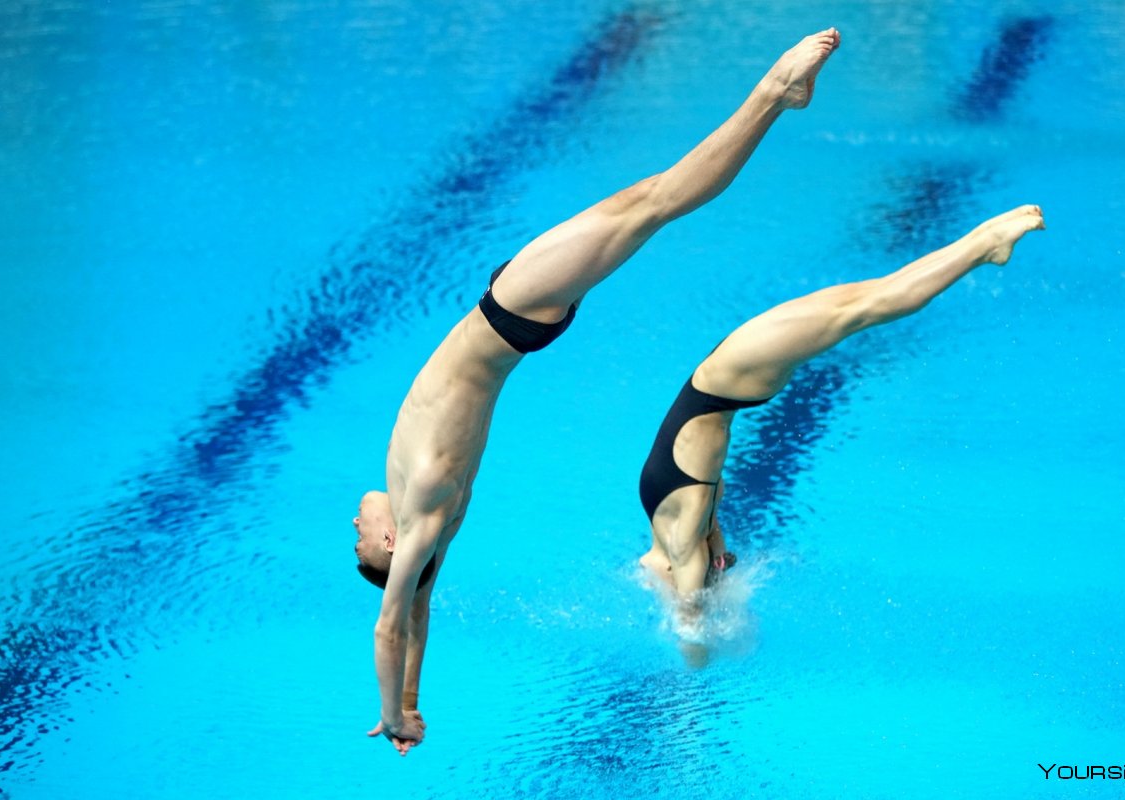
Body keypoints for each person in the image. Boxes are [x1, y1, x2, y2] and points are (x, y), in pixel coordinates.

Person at [351, 29, 843, 755]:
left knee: (655, 202)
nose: (353, 526)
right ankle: (776, 92)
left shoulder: (425, 537)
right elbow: (393, 623)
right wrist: (391, 713)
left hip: (513, 324)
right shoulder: (422, 509)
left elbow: (416, 614)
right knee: (658, 198)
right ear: (390, 540)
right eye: (359, 541)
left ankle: (777, 97)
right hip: (508, 314)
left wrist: (414, 702)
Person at [638, 204, 1045, 633]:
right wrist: (714, 562)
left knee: (874, 303)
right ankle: (980, 242)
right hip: (728, 367)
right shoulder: (668, 514)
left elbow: (690, 615)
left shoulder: (685, 539)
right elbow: (704, 533)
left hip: (737, 375)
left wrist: (696, 642)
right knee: (870, 298)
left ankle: (985, 246)